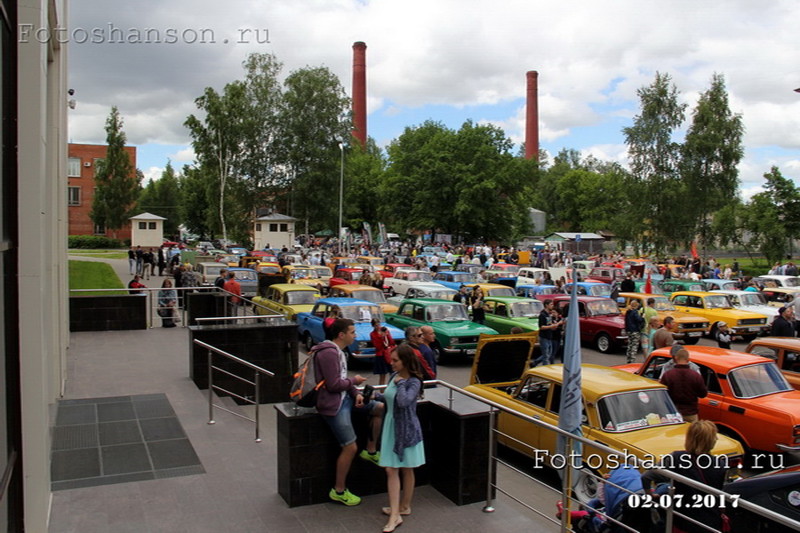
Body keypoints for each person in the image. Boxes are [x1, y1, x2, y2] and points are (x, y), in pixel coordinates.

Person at [314, 318, 384, 507]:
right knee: (350, 447)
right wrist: (355, 382)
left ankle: (370, 450)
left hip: (344, 398)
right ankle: (339, 490)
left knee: (378, 407)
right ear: (341, 335)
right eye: (352, 332)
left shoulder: (339, 351)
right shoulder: (329, 353)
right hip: (333, 405)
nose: (355, 335)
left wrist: (355, 394)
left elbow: (341, 380)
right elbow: (334, 384)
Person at [641, 420, 730, 533]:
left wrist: (651, 495)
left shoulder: (676, 458)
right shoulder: (721, 465)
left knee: (663, 489)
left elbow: (646, 477)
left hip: (683, 520)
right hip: (710, 523)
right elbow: (722, 495)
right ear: (711, 441)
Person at [376, 343, 425, 533]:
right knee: (403, 469)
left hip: (405, 430)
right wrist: (373, 396)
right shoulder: (395, 376)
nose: (392, 363)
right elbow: (390, 398)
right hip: (393, 427)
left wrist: (401, 383)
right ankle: (403, 507)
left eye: (395, 360)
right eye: (392, 359)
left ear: (405, 361)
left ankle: (395, 515)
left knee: (395, 469)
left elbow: (404, 401)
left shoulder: (413, 381)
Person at [660, 346, 707, 422]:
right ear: (688, 359)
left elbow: (662, 393)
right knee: (691, 433)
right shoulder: (696, 375)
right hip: (691, 413)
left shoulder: (668, 375)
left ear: (676, 358)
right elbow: (703, 394)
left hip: (672, 412)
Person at [535, 300, 563, 366]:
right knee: (546, 356)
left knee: (549, 354)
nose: (552, 306)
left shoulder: (548, 315)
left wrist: (554, 326)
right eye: (551, 304)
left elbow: (549, 324)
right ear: (546, 305)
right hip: (544, 337)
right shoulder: (542, 315)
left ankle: (535, 362)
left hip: (549, 336)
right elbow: (541, 327)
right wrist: (551, 326)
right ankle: (545, 367)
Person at [370, 318, 395, 386]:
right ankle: (381, 390)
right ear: (373, 326)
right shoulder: (373, 334)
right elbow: (377, 346)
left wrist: (387, 335)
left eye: (378, 325)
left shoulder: (385, 331)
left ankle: (391, 387)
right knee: (382, 375)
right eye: (376, 325)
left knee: (392, 373)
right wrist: (381, 337)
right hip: (380, 355)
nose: (378, 327)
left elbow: (391, 342)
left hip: (388, 354)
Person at [624, 300, 645, 364]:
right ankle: (632, 361)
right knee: (634, 346)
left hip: (629, 330)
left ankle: (628, 359)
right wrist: (642, 317)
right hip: (635, 330)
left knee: (630, 345)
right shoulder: (634, 312)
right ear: (636, 306)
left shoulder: (628, 312)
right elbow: (639, 320)